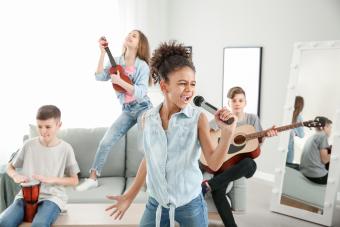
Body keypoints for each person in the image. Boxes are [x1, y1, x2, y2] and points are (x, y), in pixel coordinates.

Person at [104, 41, 237, 227]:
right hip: (156, 202)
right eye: (182, 84)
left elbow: (214, 163)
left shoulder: (198, 119)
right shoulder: (148, 119)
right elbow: (149, 159)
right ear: (164, 86)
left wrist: (228, 133)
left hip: (190, 204)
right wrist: (129, 196)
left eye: (192, 84)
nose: (189, 90)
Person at [76, 30, 153, 191]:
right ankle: (93, 178)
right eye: (129, 34)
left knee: (143, 146)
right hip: (127, 109)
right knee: (105, 142)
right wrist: (102, 53)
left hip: (143, 108)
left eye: (134, 36)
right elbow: (98, 76)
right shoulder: (116, 61)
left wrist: (120, 81)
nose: (130, 36)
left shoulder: (142, 66)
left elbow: (140, 92)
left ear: (140, 45)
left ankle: (151, 176)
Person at [201, 86, 277, 227]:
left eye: (240, 100)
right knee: (218, 192)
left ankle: (209, 185)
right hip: (223, 165)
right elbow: (209, 136)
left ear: (245, 103)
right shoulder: (222, 119)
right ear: (228, 103)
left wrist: (266, 135)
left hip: (241, 166)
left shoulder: (252, 119)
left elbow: (256, 144)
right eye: (234, 100)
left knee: (250, 163)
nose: (237, 103)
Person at [0, 105, 80, 227]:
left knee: (40, 224)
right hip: (24, 197)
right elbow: (10, 167)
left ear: (59, 125)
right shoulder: (28, 145)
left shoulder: (66, 149)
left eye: (48, 127)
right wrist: (15, 175)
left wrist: (51, 179)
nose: (43, 131)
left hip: (52, 197)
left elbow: (74, 180)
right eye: (39, 126)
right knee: (4, 222)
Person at [300, 116, 332, 185]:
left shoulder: (312, 137)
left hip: (305, 171)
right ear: (324, 127)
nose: (330, 130)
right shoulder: (323, 136)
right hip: (317, 176)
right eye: (329, 127)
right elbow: (325, 160)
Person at [286, 96, 305, 164]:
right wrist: (295, 132)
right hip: (290, 146)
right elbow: (302, 135)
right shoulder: (299, 117)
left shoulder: (286, 113)